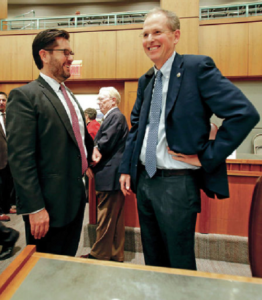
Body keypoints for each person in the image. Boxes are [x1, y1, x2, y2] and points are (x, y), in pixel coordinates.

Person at [119, 8, 260, 270]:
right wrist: (127, 168)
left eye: (157, 32)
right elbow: (137, 127)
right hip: (145, 182)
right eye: (145, 34)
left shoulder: (197, 68)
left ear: (176, 35)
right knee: (153, 259)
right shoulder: (146, 80)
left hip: (177, 185)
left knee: (179, 263)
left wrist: (207, 155)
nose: (150, 39)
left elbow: (244, 114)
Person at [6, 29, 95, 256]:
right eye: (65, 52)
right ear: (44, 55)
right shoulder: (25, 96)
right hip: (47, 207)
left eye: (71, 51)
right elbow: (21, 159)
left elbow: (77, 140)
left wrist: (93, 154)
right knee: (44, 274)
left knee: (66, 263)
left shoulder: (69, 96)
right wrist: (35, 208)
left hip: (74, 200)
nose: (71, 58)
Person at [82, 87, 129, 262]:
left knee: (106, 217)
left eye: (102, 99)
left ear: (113, 101)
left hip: (111, 175)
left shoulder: (115, 116)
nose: (98, 103)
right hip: (113, 175)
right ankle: (116, 254)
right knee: (114, 219)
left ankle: (99, 254)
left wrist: (90, 158)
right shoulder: (113, 117)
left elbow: (104, 143)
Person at [0, 92, 16, 222]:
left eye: (4, 100)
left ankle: (7, 207)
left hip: (11, 158)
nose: (1, 102)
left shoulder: (11, 117)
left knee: (8, 185)